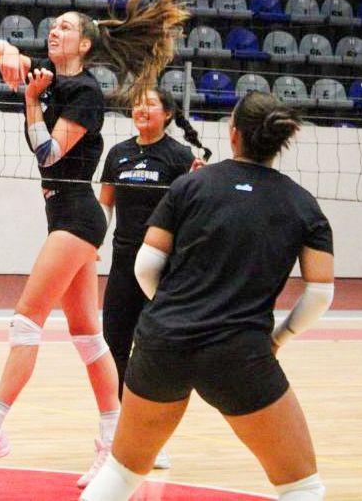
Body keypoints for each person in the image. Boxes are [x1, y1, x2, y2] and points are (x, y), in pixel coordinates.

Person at [0, 0, 188, 488]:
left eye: (65, 28)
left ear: (84, 44)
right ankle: (112, 443)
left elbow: (48, 153)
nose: (53, 31)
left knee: (26, 322)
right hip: (62, 215)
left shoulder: (84, 92)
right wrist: (3, 52)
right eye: (51, 26)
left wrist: (31, 102)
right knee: (87, 338)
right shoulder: (50, 79)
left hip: (78, 217)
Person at [80, 92, 335, 501]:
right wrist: (277, 340)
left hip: (163, 342)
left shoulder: (190, 185)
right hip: (238, 353)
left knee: (121, 473)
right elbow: (320, 293)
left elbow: (145, 265)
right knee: (302, 486)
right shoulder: (303, 205)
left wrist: (169, 308)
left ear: (233, 135)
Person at [97, 87, 211, 470]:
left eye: (150, 103)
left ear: (167, 113)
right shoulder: (118, 153)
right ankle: (120, 430)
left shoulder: (180, 157)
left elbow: (194, 214)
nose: (141, 109)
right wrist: (91, 243)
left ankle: (153, 439)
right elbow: (105, 204)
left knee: (154, 352)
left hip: (163, 270)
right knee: (114, 346)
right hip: (123, 266)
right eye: (137, 103)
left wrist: (199, 184)